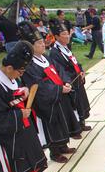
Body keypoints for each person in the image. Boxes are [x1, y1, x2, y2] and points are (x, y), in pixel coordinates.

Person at [0, 41, 51, 172]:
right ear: (9, 67)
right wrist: (19, 115)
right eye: (20, 72)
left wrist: (22, 92)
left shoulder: (10, 77)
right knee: (21, 165)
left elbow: (12, 96)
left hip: (24, 126)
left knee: (36, 155)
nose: (21, 75)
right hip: (11, 133)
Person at [18, 21, 79, 163]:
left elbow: (59, 69)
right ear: (31, 47)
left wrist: (66, 81)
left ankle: (63, 145)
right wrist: (59, 89)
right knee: (51, 126)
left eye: (42, 42)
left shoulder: (45, 57)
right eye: (38, 43)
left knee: (62, 122)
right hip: (46, 102)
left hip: (59, 96)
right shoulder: (30, 65)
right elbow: (38, 85)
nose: (42, 45)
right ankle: (54, 152)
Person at [49, 19, 92, 132]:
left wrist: (81, 70)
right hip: (70, 82)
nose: (67, 36)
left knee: (81, 103)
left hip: (77, 80)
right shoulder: (55, 52)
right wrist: (69, 79)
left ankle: (82, 123)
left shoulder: (66, 47)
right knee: (74, 106)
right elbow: (60, 70)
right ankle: (75, 128)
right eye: (64, 34)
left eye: (68, 34)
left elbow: (75, 61)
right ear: (57, 37)